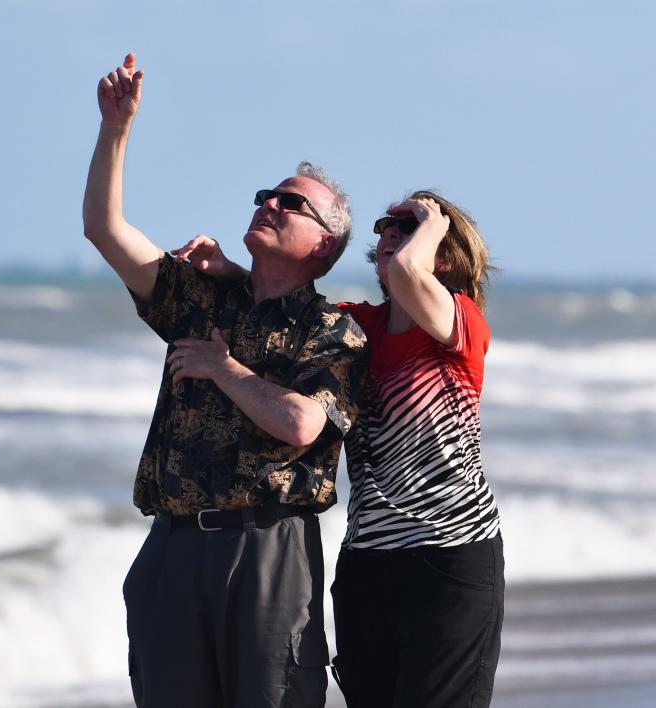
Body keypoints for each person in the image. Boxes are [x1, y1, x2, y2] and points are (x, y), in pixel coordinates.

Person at [82, 53, 367, 708]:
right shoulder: (201, 300)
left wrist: (223, 367)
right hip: (175, 546)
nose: (269, 203)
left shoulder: (334, 332)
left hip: (268, 548)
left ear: (323, 244)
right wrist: (115, 129)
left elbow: (301, 423)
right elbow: (103, 229)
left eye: (290, 204)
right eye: (266, 195)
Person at [175, 193, 504, 707]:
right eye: (385, 225)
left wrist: (432, 223)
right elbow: (288, 303)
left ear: (442, 250)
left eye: (406, 225)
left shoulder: (459, 326)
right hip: (367, 564)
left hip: (450, 561)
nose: (390, 233)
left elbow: (408, 276)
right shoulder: (358, 330)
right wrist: (228, 270)